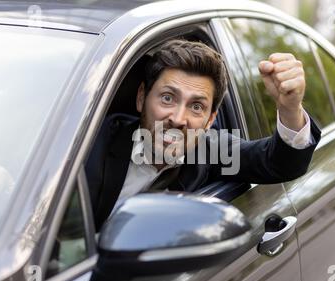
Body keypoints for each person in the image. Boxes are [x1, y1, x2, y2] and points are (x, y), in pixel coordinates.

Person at [86, 39, 321, 230]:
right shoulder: (90, 144)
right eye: (167, 98)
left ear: (210, 120)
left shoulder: (212, 152)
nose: (178, 119)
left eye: (196, 106)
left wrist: (290, 108)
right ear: (141, 98)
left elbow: (282, 163)